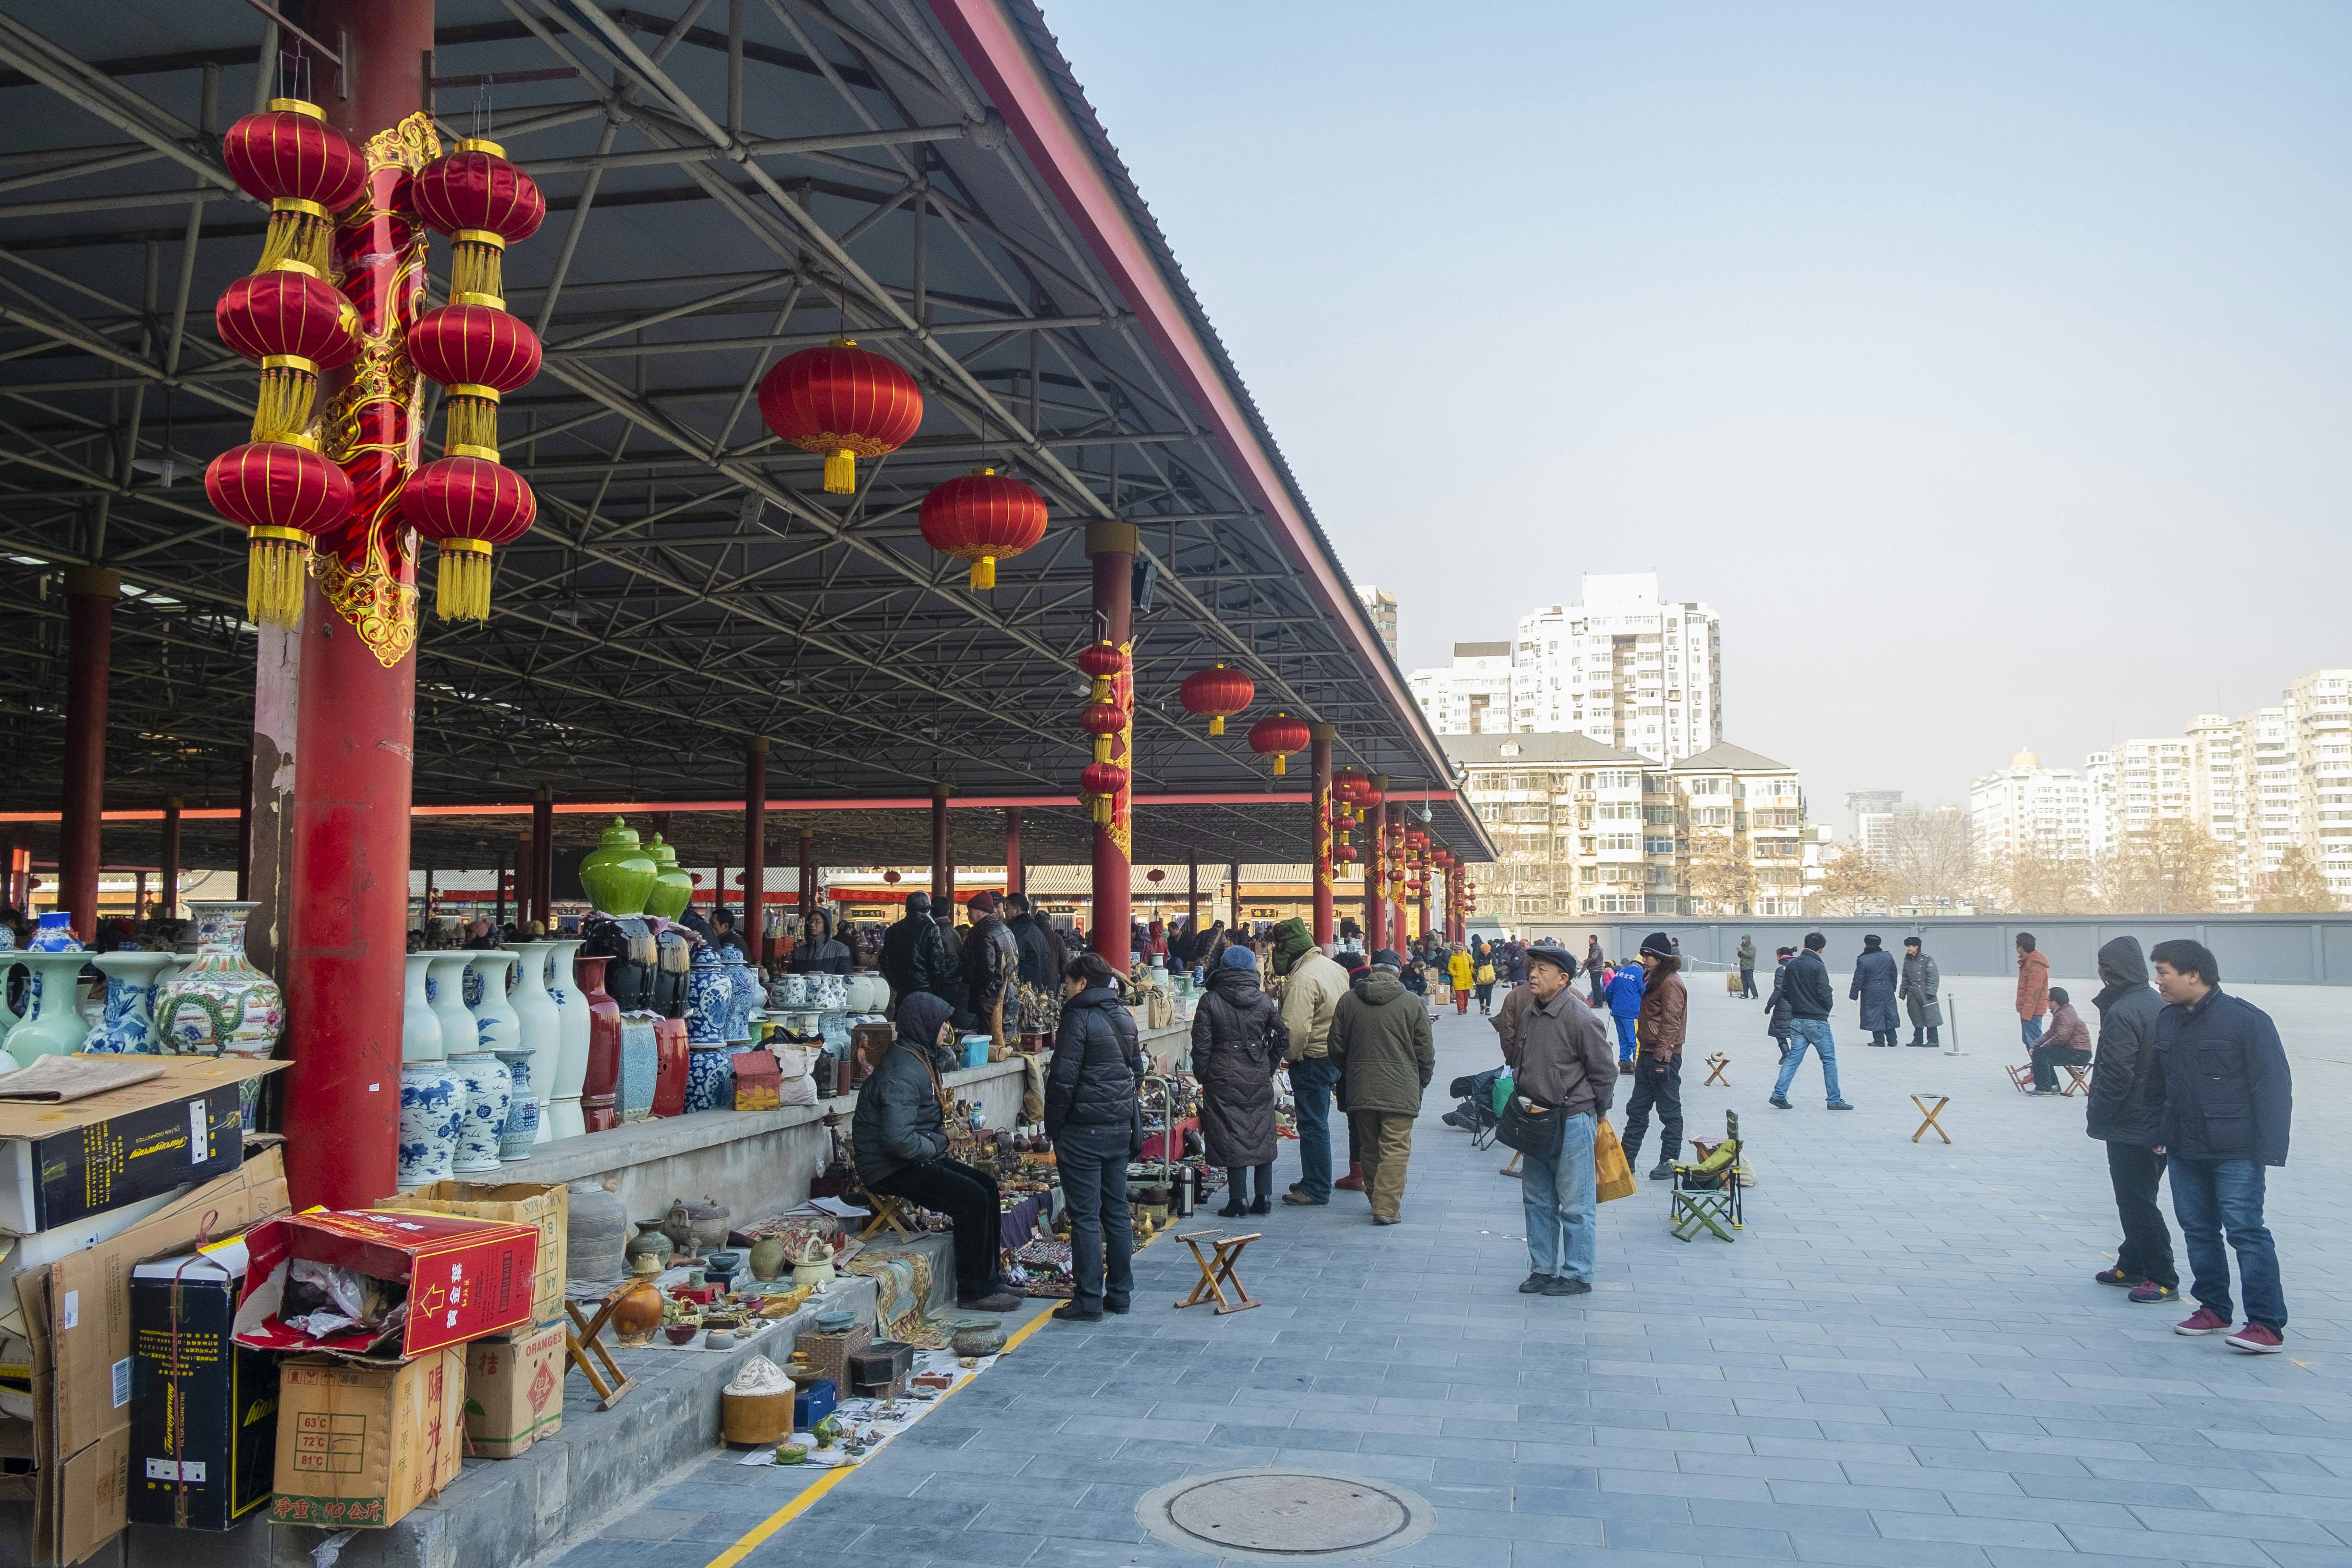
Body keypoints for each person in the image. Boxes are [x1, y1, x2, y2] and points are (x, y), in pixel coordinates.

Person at [2144, 939, 2291, 1353]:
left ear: (2194, 975)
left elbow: (2274, 1086)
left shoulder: (2247, 1020)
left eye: (2164, 972)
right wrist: (2156, 1131)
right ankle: (2213, 1310)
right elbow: (2157, 1085)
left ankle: (2266, 1324)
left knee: (2246, 1231)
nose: (2158, 982)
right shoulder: (2168, 1020)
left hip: (2236, 1150)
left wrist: (2270, 1150)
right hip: (2183, 1147)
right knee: (2197, 1229)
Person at [851, 992, 1021, 1311]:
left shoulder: (918, 1056)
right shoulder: (901, 1070)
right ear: (924, 1026)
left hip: (916, 1157)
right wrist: (940, 1143)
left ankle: (990, 1279)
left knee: (986, 1187)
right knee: (970, 1200)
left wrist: (939, 1142)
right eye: (942, 1023)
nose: (947, 1029)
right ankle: (975, 1291)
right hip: (891, 1168)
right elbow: (898, 1141)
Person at [1506, 942, 1618, 1296]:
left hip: (1572, 1120)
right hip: (1534, 1118)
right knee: (1537, 1199)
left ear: (1564, 978)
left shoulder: (1581, 1017)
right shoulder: (1530, 1013)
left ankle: (1577, 1273)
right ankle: (1542, 1268)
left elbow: (1605, 1072)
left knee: (1575, 1203)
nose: (1533, 974)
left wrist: (1595, 1112)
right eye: (1532, 967)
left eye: (1542, 969)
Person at [1043, 950, 1143, 1322]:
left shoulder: (1078, 1018)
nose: (1064, 990)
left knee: (1085, 1216)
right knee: (1116, 1212)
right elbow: (1138, 1070)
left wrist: (1054, 1128)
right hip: (1118, 1128)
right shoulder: (1123, 1015)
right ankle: (1120, 1293)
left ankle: (1088, 1299)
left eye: (1068, 983)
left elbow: (1062, 1081)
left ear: (1082, 983)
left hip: (1084, 1131)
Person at [2085, 936, 2177, 1303]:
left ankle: (2163, 1276)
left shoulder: (2124, 1011)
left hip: (2132, 1122)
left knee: (2136, 1201)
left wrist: (2098, 1113)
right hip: (2156, 1117)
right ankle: (2131, 1263)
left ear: (2109, 970)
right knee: (2142, 1195)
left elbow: (2115, 1074)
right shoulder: (2155, 1003)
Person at [1327, 948, 1433, 1225]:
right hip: (1402, 1087)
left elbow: (1336, 1048)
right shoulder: (1412, 1003)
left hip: (1361, 1086)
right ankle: (1386, 1208)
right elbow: (1425, 1053)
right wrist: (1420, 1081)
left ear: (1371, 969)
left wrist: (1351, 1073)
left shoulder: (1348, 1001)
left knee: (1370, 1147)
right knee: (1396, 1147)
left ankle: (1377, 1199)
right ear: (1398, 972)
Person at [1194, 945, 1288, 1216]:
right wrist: (1267, 1065)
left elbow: (1201, 1048)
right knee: (1262, 1132)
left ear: (1223, 969)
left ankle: (1238, 1200)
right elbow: (1283, 1038)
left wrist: (1205, 1076)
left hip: (1222, 1073)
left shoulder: (1210, 1000)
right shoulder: (1263, 1000)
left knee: (1230, 1132)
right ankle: (1264, 1198)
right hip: (1257, 1070)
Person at [1273, 920, 1350, 1206]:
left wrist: (1290, 1058)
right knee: (1319, 1122)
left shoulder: (1302, 979)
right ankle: (1314, 1180)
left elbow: (1295, 1028)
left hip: (1313, 1057)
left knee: (1313, 1125)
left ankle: (1316, 1187)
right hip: (1335, 1053)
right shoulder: (1333, 967)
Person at [1622, 931, 1686, 1181]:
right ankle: (1627, 1159)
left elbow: (1671, 1023)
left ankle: (1670, 1160)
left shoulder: (1671, 983)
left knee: (1669, 1110)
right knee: (1637, 1108)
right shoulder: (1656, 980)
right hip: (1649, 1053)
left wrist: (1662, 1059)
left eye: (1648, 954)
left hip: (1664, 1056)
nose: (1644, 959)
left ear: (1659, 958)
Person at [1769, 932, 1852, 1111]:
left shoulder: (1791, 965)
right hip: (1816, 1020)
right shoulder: (1818, 966)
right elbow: (1825, 993)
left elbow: (1785, 991)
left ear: (1805, 944)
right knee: (1828, 1059)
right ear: (1822, 948)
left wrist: (1796, 1005)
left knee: (1792, 1058)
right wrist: (1826, 1010)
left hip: (1797, 1019)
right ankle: (1834, 1099)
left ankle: (1778, 1095)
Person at [879, 893, 956, 1008]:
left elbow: (884, 960)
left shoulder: (893, 930)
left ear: (906, 908)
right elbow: (937, 964)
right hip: (926, 989)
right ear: (928, 909)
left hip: (903, 989)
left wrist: (896, 982)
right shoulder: (931, 929)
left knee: (904, 1021)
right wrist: (937, 990)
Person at [961, 893, 1019, 1043]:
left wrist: (982, 991)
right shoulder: (1003, 928)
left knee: (993, 1038)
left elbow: (986, 969)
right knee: (1005, 1036)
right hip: (1007, 991)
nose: (968, 913)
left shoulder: (984, 932)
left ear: (982, 911)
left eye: (971, 910)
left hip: (991, 995)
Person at [2026, 987, 2093, 1094]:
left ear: (2054, 1003)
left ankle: (2044, 1088)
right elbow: (2051, 1033)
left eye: (2047, 1000)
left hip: (2079, 1054)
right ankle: (2054, 1086)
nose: (2046, 1003)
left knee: (2041, 1053)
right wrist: (2035, 1045)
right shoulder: (2063, 1011)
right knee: (2042, 1052)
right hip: (2073, 1050)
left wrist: (2041, 1048)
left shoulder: (2065, 1015)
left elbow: (2061, 1038)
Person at [1850, 933, 1899, 1048]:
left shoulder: (1863, 959)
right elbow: (1894, 974)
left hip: (1871, 990)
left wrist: (1854, 994)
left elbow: (1858, 978)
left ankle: (1879, 1041)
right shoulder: (1888, 956)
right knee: (1889, 1013)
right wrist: (1893, 988)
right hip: (1887, 988)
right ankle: (1893, 1040)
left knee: (1875, 1014)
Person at [1003, 892, 1056, 997]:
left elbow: (1013, 962)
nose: (1005, 911)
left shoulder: (1017, 932)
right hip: (1040, 987)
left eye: (1008, 908)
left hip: (1024, 989)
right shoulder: (1036, 930)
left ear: (1017, 911)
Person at [1899, 936, 1942, 1047]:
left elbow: (1933, 977)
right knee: (1915, 1014)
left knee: (1930, 1015)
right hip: (1912, 991)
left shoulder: (1927, 959)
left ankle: (1933, 1040)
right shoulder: (1907, 960)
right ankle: (1918, 1039)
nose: (1907, 948)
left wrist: (1931, 992)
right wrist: (1903, 992)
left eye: (1909, 946)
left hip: (1925, 990)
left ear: (1916, 947)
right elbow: (1905, 976)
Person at [1602, 955, 1643, 1066]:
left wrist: (1612, 1006)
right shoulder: (1641, 975)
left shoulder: (1621, 973)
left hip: (1617, 1011)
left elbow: (1609, 991)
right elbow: (1646, 995)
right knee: (1635, 1040)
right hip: (1631, 1013)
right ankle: (1638, 1064)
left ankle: (1625, 1063)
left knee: (1623, 1039)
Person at [789, 909, 852, 975]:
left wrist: (824, 979)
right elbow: (791, 977)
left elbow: (847, 979)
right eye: (811, 921)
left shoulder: (840, 950)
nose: (812, 925)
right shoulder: (800, 952)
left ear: (826, 924)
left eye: (817, 922)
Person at [2015, 931, 2050, 1048]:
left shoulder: (2035, 966)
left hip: (2032, 1012)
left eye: (2017, 945)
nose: (2016, 948)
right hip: (2028, 1010)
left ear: (2021, 947)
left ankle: (2040, 1067)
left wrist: (2027, 1014)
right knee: (2028, 1041)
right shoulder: (2028, 962)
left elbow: (2034, 993)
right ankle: (2037, 1066)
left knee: (2034, 1043)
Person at [1763, 946, 1795, 1060]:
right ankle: (1795, 1053)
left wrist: (1769, 1005)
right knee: (1795, 1031)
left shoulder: (1781, 970)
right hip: (1798, 1003)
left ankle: (1786, 1052)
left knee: (1778, 1030)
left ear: (1781, 957)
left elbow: (1778, 989)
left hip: (1783, 1004)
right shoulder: (1799, 966)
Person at [1446, 945, 1474, 1015]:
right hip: (1458, 979)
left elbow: (1473, 964)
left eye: (1460, 949)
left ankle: (1465, 1008)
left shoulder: (1467, 955)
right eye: (1457, 949)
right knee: (1460, 996)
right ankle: (1460, 1009)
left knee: (1466, 996)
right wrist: (1455, 974)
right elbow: (1450, 968)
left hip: (1467, 979)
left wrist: (1471, 971)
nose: (1458, 951)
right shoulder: (1453, 957)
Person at [1582, 935, 1607, 1004]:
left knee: (1596, 987)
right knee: (1595, 987)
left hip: (1596, 970)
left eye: (1589, 939)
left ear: (1593, 940)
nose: (1588, 941)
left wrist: (1586, 962)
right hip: (1595, 969)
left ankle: (1598, 1003)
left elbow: (1593, 958)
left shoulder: (1596, 948)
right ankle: (1597, 1003)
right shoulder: (1595, 947)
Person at [1472, 948, 1496, 1015]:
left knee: (1489, 994)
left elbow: (1496, 965)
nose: (1486, 953)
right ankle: (1482, 1006)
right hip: (1481, 978)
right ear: (1482, 951)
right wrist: (1480, 966)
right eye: (1485, 952)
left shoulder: (1492, 956)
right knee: (1481, 994)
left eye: (1487, 952)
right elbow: (1475, 965)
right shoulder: (1478, 956)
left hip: (1490, 978)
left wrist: (1491, 968)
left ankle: (1488, 1009)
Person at [1736, 934, 1757, 999]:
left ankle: (1755, 995)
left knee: (1750, 981)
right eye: (1742, 939)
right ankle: (1745, 995)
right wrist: (1739, 952)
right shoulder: (1742, 946)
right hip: (1743, 967)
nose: (1743, 940)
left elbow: (1750, 955)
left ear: (1748, 940)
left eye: (1744, 939)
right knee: (1744, 981)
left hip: (1749, 967)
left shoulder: (1752, 947)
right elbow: (1740, 956)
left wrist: (1742, 951)